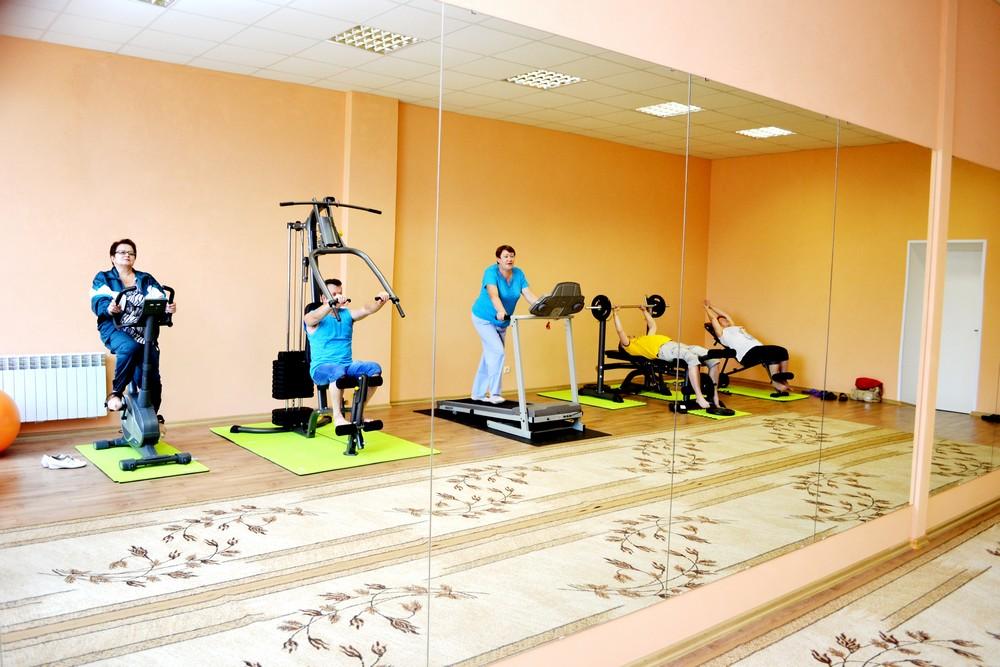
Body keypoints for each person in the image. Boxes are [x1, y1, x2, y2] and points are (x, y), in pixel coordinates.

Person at [89, 238, 176, 414]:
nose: (127, 255)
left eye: (131, 253)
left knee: (151, 377)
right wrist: (108, 308)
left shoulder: (145, 279)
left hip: (144, 330)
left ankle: (152, 416)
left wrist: (167, 309)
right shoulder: (103, 278)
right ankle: (116, 393)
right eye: (122, 252)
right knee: (129, 347)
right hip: (115, 328)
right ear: (113, 257)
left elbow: (159, 300)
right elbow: (98, 301)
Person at [304, 278, 390, 428]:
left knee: (374, 369)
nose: (338, 296)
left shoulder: (347, 314)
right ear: (323, 297)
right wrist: (331, 304)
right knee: (337, 371)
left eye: (340, 293)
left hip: (346, 366)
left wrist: (379, 301)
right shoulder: (313, 316)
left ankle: (358, 413)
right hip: (320, 369)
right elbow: (311, 318)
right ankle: (338, 417)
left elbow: (366, 309)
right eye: (333, 294)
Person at [613, 305, 721, 409]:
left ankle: (714, 396)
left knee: (713, 359)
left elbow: (653, 325)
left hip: (674, 345)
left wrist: (644, 311)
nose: (630, 336)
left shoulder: (644, 339)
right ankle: (699, 397)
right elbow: (620, 331)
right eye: (627, 337)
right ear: (623, 345)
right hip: (664, 350)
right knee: (692, 359)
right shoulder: (630, 347)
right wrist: (615, 314)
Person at [470, 244, 539, 403]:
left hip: (502, 322)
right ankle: (495, 393)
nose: (509, 259)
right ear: (498, 259)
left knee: (490, 355)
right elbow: (493, 295)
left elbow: (528, 294)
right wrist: (501, 311)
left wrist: (544, 307)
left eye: (512, 256)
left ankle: (477, 393)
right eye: (506, 256)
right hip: (484, 318)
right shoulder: (491, 272)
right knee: (498, 352)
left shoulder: (518, 273)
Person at [704, 300, 794, 396]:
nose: (725, 319)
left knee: (782, 351)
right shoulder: (722, 333)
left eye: (725, 319)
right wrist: (706, 309)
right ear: (718, 324)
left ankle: (783, 379)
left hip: (757, 348)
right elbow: (713, 319)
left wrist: (711, 306)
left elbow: (725, 315)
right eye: (721, 320)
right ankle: (776, 383)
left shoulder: (734, 327)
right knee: (771, 354)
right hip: (747, 354)